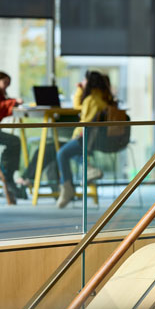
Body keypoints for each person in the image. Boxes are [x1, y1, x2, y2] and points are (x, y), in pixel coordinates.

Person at [56, 71, 114, 208]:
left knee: (62, 153)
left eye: (84, 80)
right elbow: (81, 109)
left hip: (87, 138)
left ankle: (68, 188)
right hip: (99, 139)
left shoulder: (91, 100)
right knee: (73, 152)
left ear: (90, 82)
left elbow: (85, 120)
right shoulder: (102, 98)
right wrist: (80, 90)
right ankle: (88, 169)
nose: (83, 82)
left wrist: (79, 90)